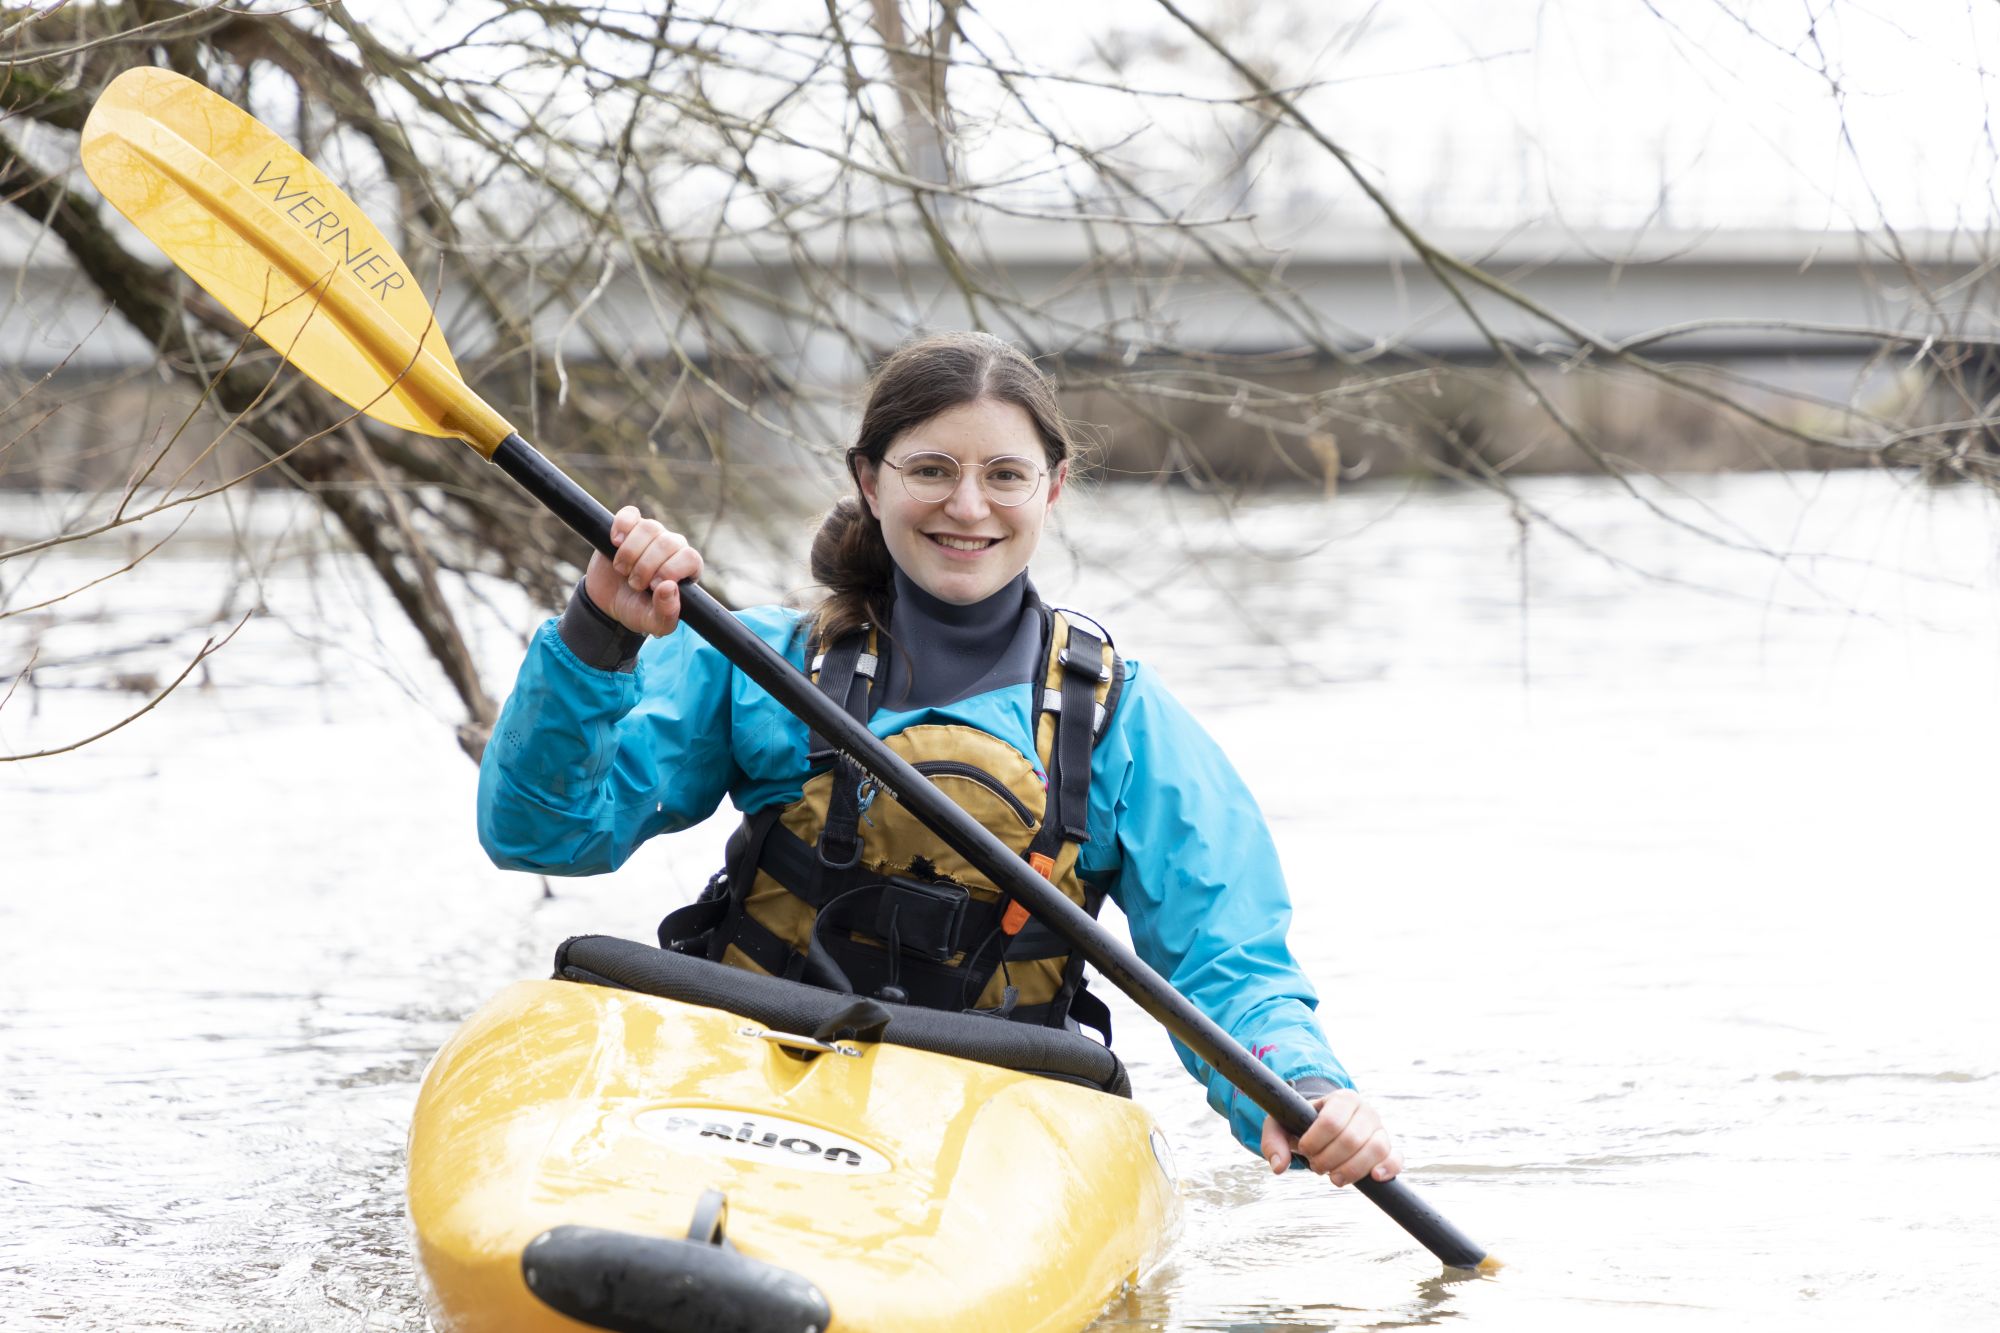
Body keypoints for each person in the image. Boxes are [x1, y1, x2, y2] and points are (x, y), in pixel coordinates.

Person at [477, 331, 1402, 1190]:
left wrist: (1305, 1086)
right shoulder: (756, 663)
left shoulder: (1123, 722)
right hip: (744, 1082)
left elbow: (1228, 960)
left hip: (989, 1127)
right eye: (931, 470)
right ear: (870, 481)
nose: (967, 506)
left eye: (1005, 475)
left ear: (1053, 488)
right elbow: (541, 834)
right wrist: (598, 633)